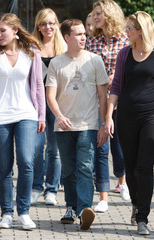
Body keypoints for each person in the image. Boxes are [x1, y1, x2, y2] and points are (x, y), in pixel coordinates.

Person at [105, 11, 154, 235]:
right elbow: (116, 86)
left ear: (141, 30)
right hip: (126, 116)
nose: (126, 32)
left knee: (145, 166)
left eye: (130, 29)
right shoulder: (124, 54)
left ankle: (143, 216)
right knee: (131, 167)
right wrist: (108, 116)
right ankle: (136, 204)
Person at [0, 13, 45, 230]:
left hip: (26, 114)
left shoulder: (31, 51)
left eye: (2, 31)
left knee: (26, 161)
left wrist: (41, 114)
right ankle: (7, 213)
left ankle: (23, 212)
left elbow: (38, 86)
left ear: (15, 31)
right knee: (4, 166)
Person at [46, 18, 109, 231]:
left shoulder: (95, 60)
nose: (84, 37)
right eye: (78, 34)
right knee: (68, 170)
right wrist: (59, 116)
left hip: (88, 124)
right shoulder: (56, 63)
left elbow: (103, 96)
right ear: (66, 37)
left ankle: (84, 210)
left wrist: (103, 125)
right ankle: (71, 207)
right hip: (63, 126)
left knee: (84, 167)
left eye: (84, 33)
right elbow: (50, 96)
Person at [86, 0, 130, 213]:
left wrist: (116, 77)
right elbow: (87, 69)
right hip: (97, 101)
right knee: (100, 150)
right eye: (94, 15)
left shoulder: (125, 39)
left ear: (109, 15)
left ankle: (122, 180)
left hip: (121, 102)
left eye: (98, 14)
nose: (95, 18)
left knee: (119, 150)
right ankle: (103, 197)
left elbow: (131, 68)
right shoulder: (91, 41)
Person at [30, 7, 66, 206]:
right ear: (38, 26)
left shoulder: (64, 48)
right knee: (36, 147)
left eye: (51, 23)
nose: (48, 27)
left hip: (58, 105)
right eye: (43, 23)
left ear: (57, 25)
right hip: (36, 105)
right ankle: (36, 186)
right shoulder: (32, 47)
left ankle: (52, 189)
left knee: (55, 149)